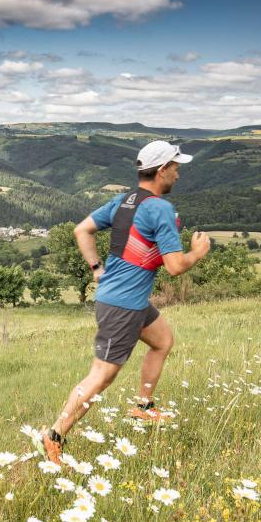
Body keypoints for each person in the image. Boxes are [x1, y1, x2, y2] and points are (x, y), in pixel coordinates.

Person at [37, 140, 210, 464]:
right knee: (102, 375)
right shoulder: (160, 209)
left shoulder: (124, 201)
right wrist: (197, 253)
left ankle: (143, 407)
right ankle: (54, 435)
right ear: (162, 170)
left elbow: (82, 230)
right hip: (122, 306)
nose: (177, 174)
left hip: (126, 299)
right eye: (175, 167)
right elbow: (174, 267)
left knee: (162, 341)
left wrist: (97, 270)